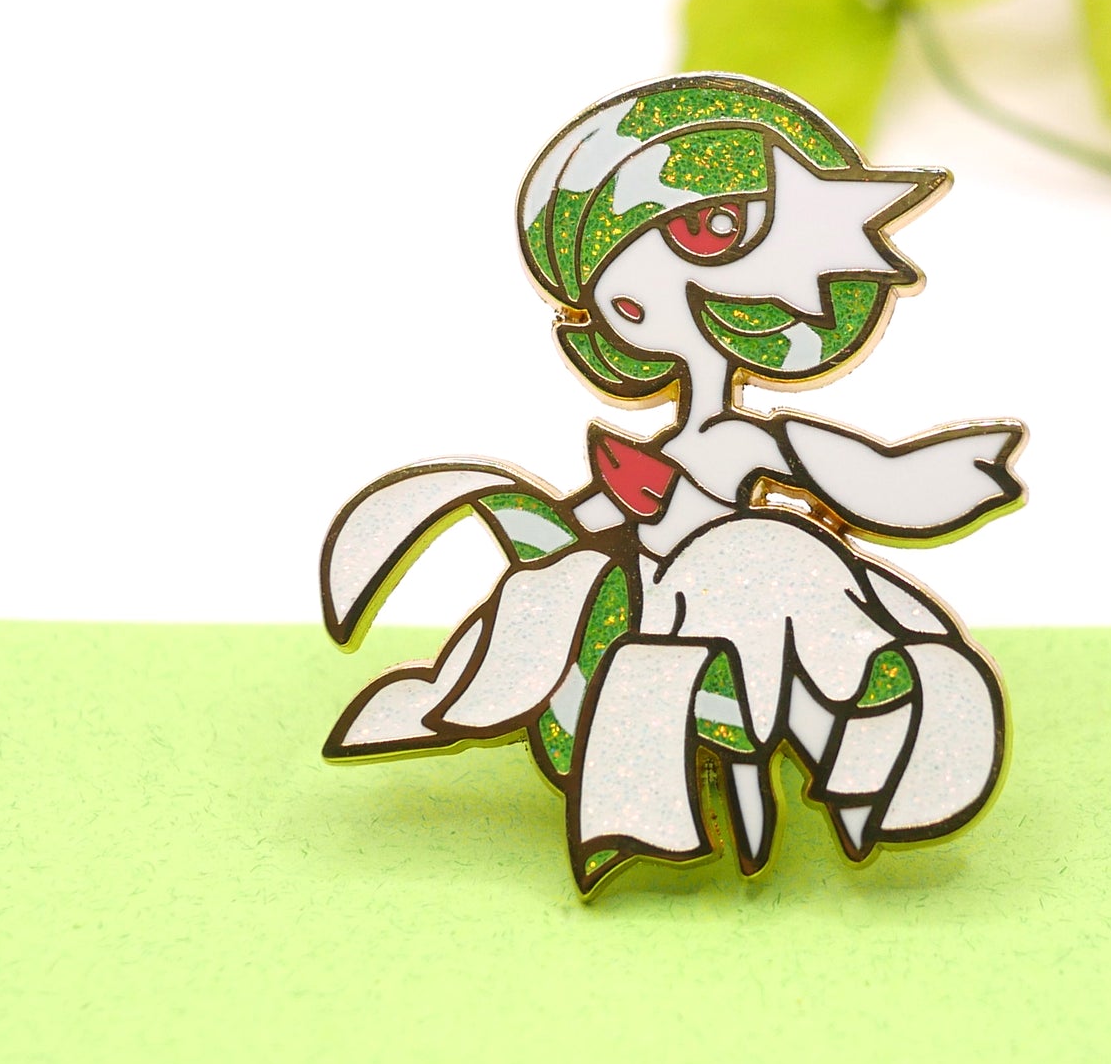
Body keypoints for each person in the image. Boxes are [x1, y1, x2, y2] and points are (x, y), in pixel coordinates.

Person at [320, 73, 1026, 895]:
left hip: (745, 599)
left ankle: (849, 734)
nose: (635, 295)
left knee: (763, 551)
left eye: (708, 230)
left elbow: (868, 484)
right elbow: (590, 521)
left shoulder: (753, 442)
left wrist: (949, 475)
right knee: (698, 569)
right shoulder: (669, 451)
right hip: (659, 607)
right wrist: (549, 551)